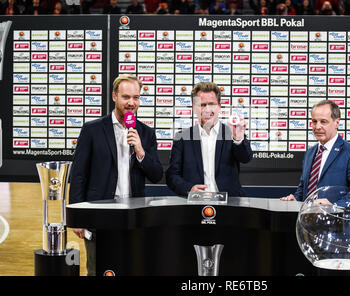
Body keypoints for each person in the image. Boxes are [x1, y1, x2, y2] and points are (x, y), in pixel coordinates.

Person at [69, 74, 163, 275]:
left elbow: (156, 175)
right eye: (126, 97)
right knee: (97, 267)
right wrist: (77, 216)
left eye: (136, 97)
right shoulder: (92, 129)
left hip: (133, 214)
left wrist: (140, 151)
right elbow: (78, 174)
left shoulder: (146, 133)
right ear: (114, 96)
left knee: (132, 266)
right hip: (99, 212)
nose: (131, 103)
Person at [166, 82, 252, 197]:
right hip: (195, 204)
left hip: (230, 204)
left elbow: (246, 158)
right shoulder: (182, 137)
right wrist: (189, 189)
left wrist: (238, 139)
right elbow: (172, 176)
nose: (207, 110)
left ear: (219, 107)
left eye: (212, 104)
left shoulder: (232, 132)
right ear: (194, 107)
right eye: (202, 105)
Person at [281, 100, 350, 202]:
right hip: (307, 216)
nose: (317, 127)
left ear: (336, 123)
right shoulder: (310, 152)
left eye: (323, 121)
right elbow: (304, 188)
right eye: (314, 121)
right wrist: (295, 200)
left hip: (336, 217)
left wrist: (333, 206)